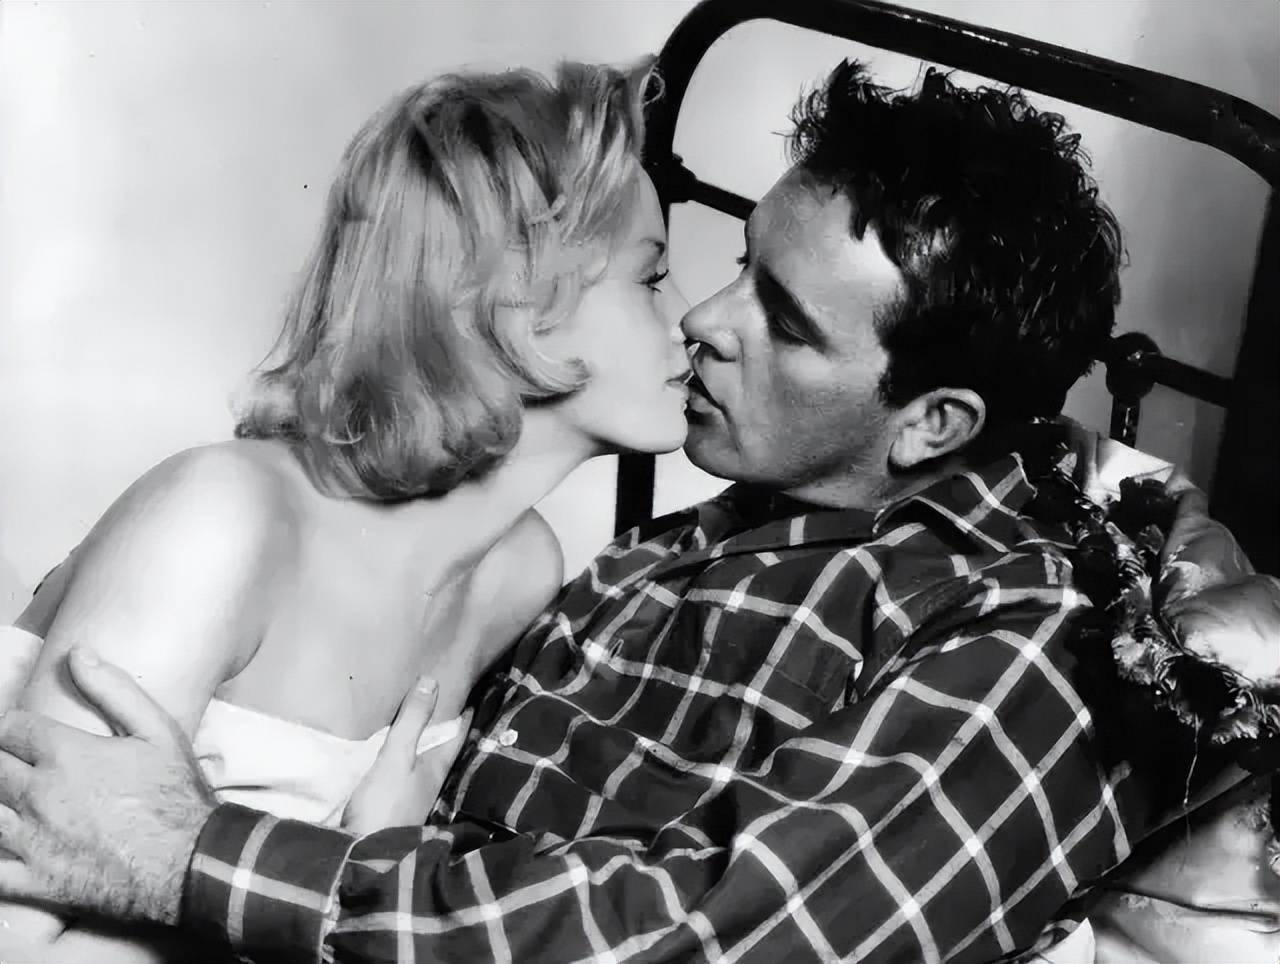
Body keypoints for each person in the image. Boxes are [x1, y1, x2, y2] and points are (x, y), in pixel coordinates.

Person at [0, 59, 1238, 962]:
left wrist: (200, 857)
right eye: (729, 267)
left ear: (931, 424)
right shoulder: (637, 560)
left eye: (782, 320)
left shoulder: (1018, 632)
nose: (701, 318)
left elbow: (705, 941)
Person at [0, 57, 692, 960]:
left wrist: (363, 877)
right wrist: (357, 869)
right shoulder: (223, 520)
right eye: (652, 279)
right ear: (517, 304)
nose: (690, 318)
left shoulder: (519, 570)